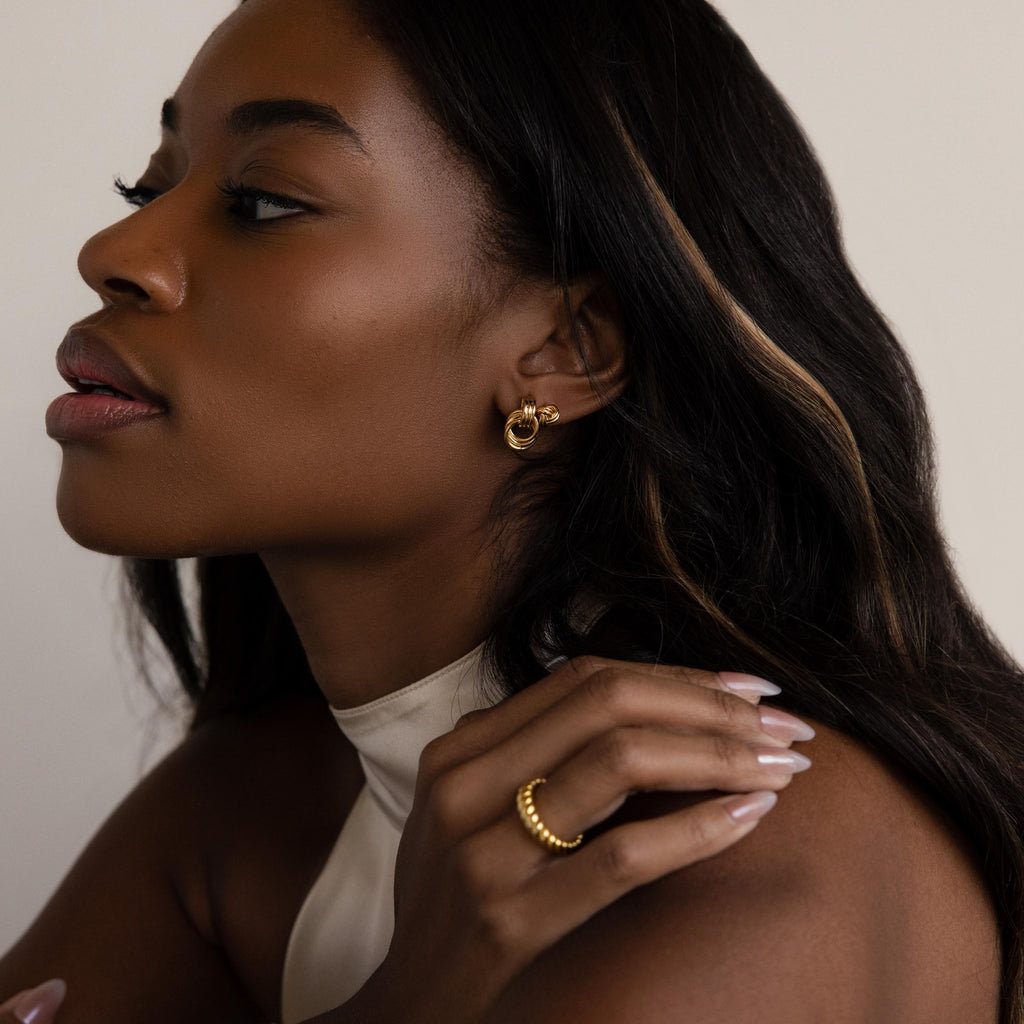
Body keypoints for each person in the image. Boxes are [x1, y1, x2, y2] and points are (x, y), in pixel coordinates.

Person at [1, 0, 1019, 1020]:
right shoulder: (249, 819)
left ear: (563, 351)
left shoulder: (732, 837)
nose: (114, 248)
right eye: (150, 184)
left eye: (263, 202)